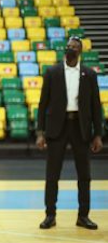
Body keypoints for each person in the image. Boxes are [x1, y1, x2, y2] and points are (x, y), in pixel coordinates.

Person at [36, 36, 103, 230]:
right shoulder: (52, 72)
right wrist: (40, 132)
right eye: (68, 47)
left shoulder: (89, 74)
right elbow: (42, 105)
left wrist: (97, 134)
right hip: (58, 127)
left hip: (80, 127)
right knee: (52, 174)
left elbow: (95, 106)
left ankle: (83, 216)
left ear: (80, 51)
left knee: (84, 175)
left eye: (74, 47)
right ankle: (50, 215)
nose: (70, 49)